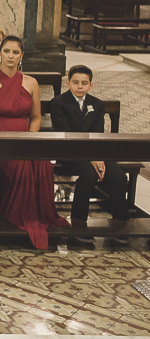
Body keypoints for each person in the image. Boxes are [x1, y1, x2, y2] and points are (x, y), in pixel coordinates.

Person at [0, 36, 68, 248]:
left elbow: (36, 117)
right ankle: (12, 215)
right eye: (6, 51)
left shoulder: (31, 82)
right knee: (20, 165)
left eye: (15, 52)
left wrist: (29, 137)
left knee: (44, 164)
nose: (10, 56)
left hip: (26, 136)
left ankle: (39, 214)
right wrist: (0, 137)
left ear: (22, 55)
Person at [49, 66, 129, 234]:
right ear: (68, 82)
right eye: (76, 82)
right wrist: (92, 157)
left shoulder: (97, 104)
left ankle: (119, 222)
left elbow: (98, 131)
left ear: (91, 85)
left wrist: (96, 155)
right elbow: (66, 133)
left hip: (96, 151)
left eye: (84, 83)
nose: (80, 87)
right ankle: (79, 222)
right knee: (89, 174)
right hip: (68, 152)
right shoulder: (58, 103)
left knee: (119, 177)